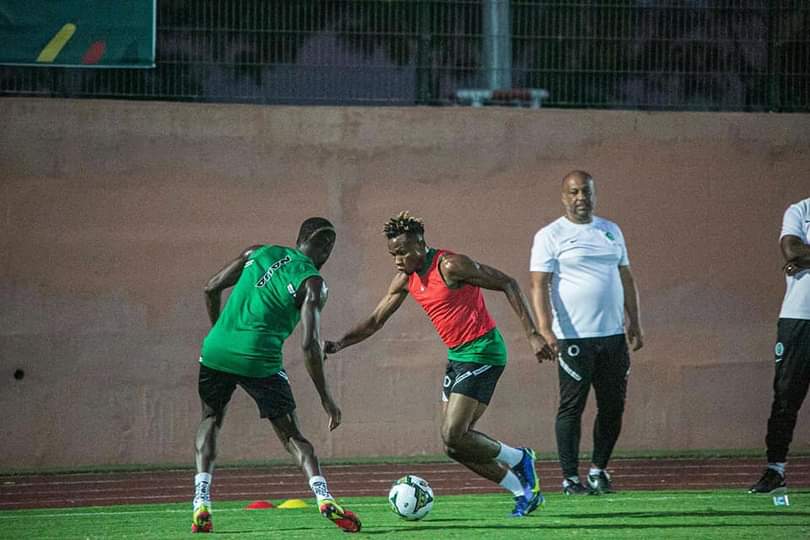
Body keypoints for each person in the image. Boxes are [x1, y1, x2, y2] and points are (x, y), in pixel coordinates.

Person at [325, 211, 555, 518]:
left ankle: (520, 457)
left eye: (403, 252)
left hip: (484, 352)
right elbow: (376, 320)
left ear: (421, 244)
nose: (398, 259)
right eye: (393, 254)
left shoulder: (450, 265)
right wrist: (339, 343)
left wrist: (533, 335)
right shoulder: (406, 279)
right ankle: (523, 492)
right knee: (454, 446)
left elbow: (508, 283)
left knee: (453, 434)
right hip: (458, 357)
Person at [191, 217, 360, 534]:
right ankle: (324, 498)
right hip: (260, 359)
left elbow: (211, 286)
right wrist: (326, 399)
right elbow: (309, 345)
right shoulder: (313, 283)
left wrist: (220, 331)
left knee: (210, 418)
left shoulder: (258, 252)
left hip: (216, 350)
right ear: (316, 244)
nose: (328, 253)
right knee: (293, 437)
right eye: (328, 246)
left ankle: (201, 501)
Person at [529, 170, 643, 496]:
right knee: (572, 407)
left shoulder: (611, 231)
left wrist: (635, 322)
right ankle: (569, 479)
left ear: (595, 194)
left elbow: (626, 278)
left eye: (586, 192)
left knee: (613, 406)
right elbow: (539, 284)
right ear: (564, 197)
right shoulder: (550, 235)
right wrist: (544, 329)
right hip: (573, 338)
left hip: (613, 336)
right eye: (574, 192)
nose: (581, 198)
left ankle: (598, 470)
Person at [749, 197, 810, 494]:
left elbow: (799, 255)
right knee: (786, 397)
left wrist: (802, 258)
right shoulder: (800, 210)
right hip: (798, 318)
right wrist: (796, 255)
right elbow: (791, 249)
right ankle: (776, 470)